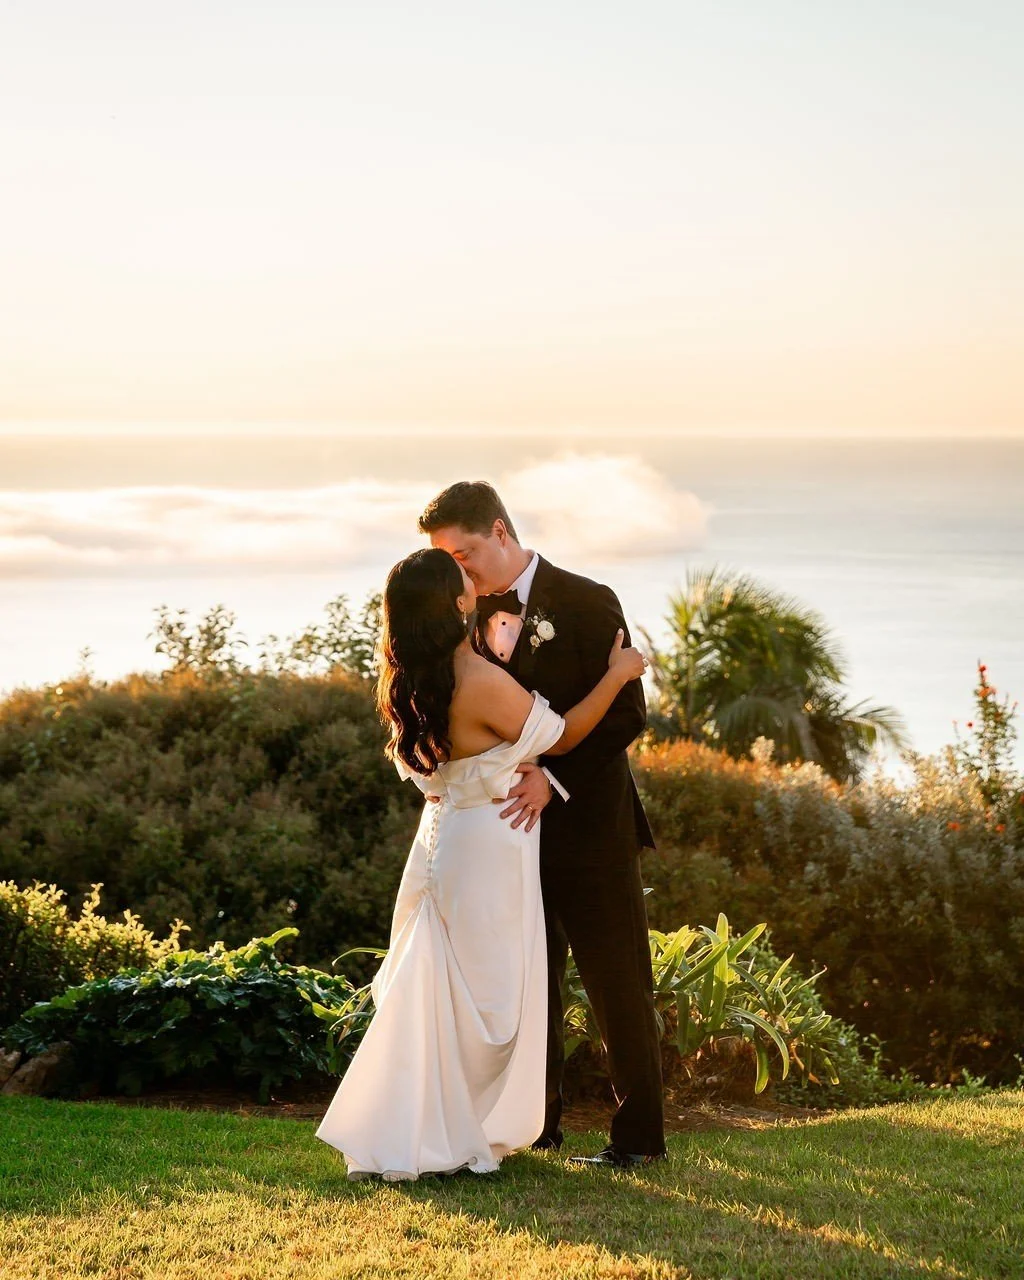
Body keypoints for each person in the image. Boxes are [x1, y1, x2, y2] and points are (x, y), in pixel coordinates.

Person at [314, 545, 647, 1181]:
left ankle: (427, 1123)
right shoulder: (481, 681)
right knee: (487, 999)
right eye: (463, 580)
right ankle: (459, 1130)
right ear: (455, 603)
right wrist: (618, 674)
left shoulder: (407, 680)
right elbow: (566, 736)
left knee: (440, 985)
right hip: (491, 848)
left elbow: (436, 773)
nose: (475, 583)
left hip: (442, 840)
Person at [419, 481, 667, 1169]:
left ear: (500, 531)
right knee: (530, 988)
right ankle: (537, 1127)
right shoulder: (458, 615)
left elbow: (626, 716)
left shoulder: (589, 600)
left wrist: (552, 780)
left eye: (464, 556)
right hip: (502, 839)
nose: (459, 574)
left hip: (590, 832)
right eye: (447, 562)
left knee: (619, 986)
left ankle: (640, 1140)